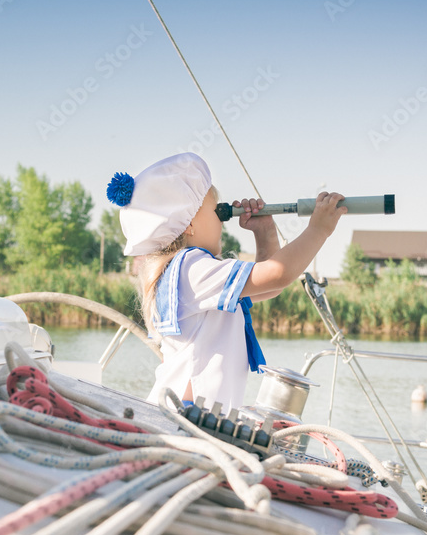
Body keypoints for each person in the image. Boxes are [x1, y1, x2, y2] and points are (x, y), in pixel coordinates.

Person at [107, 152, 346, 411]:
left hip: (192, 415)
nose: (223, 219)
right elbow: (279, 273)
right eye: (216, 211)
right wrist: (319, 229)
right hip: (185, 414)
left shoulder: (188, 270)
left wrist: (265, 233)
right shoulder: (191, 268)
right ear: (188, 224)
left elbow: (271, 285)